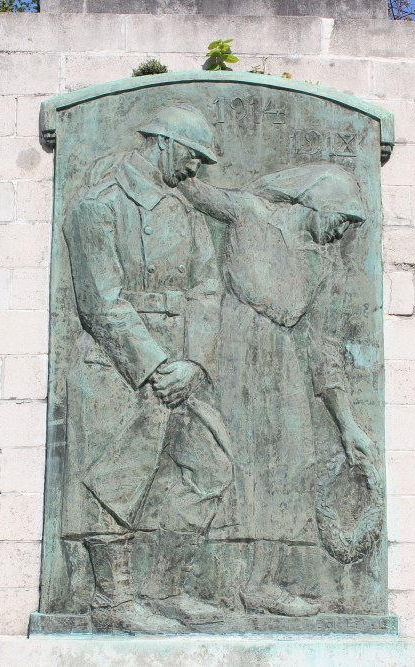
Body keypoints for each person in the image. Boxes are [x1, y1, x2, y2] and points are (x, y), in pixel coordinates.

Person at [62, 103, 232, 632]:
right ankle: (112, 602)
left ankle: (168, 589)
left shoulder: (183, 210)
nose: (194, 170)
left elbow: (207, 289)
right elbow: (100, 301)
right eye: (191, 157)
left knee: (211, 468)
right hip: (118, 368)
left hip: (179, 370)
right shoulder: (99, 203)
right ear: (162, 142)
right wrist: (156, 366)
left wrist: (193, 363)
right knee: (115, 484)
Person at [179, 164, 377, 616]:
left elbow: (323, 347)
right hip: (232, 346)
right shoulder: (252, 213)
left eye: (352, 224)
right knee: (226, 462)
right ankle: (196, 580)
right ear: (318, 201)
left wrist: (348, 426)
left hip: (283, 360)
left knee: (290, 467)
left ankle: (261, 583)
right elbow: (195, 190)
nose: (344, 230)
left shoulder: (323, 266)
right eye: (343, 217)